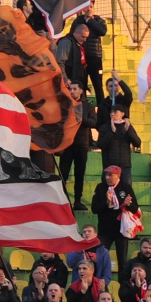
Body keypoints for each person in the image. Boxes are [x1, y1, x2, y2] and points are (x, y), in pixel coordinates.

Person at [91, 165, 137, 273]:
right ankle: (101, 286)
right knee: (101, 259)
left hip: (121, 231)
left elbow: (135, 209)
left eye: (110, 175)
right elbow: (94, 209)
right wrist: (106, 203)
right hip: (105, 231)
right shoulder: (100, 188)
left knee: (123, 261)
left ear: (118, 175)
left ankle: (123, 287)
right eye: (106, 175)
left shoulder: (125, 187)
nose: (107, 177)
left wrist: (128, 205)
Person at [59, 81, 96, 211]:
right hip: (67, 143)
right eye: (70, 89)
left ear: (81, 90)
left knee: (79, 174)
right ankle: (62, 200)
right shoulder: (65, 104)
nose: (72, 91)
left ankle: (78, 200)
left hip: (81, 143)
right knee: (63, 172)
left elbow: (94, 122)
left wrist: (81, 119)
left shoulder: (88, 106)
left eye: (75, 89)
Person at [96, 105, 140, 180]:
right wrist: (111, 132)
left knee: (126, 190)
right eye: (111, 112)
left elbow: (137, 143)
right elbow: (100, 145)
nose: (112, 114)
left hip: (125, 167)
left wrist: (128, 130)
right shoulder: (105, 127)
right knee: (108, 190)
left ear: (122, 114)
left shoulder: (127, 126)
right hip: (109, 167)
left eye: (115, 112)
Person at [78, 8, 108, 101]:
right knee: (82, 84)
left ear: (94, 8)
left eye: (91, 7)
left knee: (98, 85)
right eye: (87, 7)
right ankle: (83, 107)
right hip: (81, 57)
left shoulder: (99, 20)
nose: (89, 9)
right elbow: (73, 33)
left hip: (95, 57)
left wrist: (90, 21)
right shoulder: (78, 21)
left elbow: (102, 31)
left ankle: (101, 109)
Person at [54, 18, 89, 87]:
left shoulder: (78, 44)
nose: (85, 40)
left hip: (77, 81)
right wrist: (65, 79)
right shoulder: (66, 42)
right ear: (76, 33)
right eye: (83, 37)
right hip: (69, 82)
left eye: (86, 37)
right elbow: (60, 62)